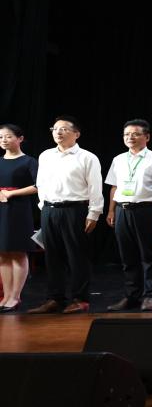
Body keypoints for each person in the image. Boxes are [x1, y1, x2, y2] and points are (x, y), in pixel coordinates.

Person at [26, 116, 103, 315]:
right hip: (50, 210)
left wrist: (94, 213)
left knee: (77, 256)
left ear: (76, 134)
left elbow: (95, 187)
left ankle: (80, 299)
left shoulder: (87, 157)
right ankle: (55, 299)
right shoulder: (46, 155)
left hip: (75, 210)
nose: (58, 132)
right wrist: (43, 205)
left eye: (64, 129)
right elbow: (41, 183)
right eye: (55, 129)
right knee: (52, 257)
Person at [104, 119, 152, 312]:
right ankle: (132, 296)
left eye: (135, 134)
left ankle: (150, 296)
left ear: (147, 137)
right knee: (128, 256)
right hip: (122, 210)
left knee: (150, 256)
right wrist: (111, 210)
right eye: (126, 134)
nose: (130, 137)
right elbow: (114, 187)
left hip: (147, 210)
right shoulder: (118, 159)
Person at [0, 124, 38, 314]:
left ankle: (15, 296)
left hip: (18, 210)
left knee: (18, 252)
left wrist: (11, 194)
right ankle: (6, 296)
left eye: (8, 136)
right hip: (1, 208)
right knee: (2, 254)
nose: (4, 140)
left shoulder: (29, 161)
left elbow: (38, 186)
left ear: (20, 139)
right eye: (1, 137)